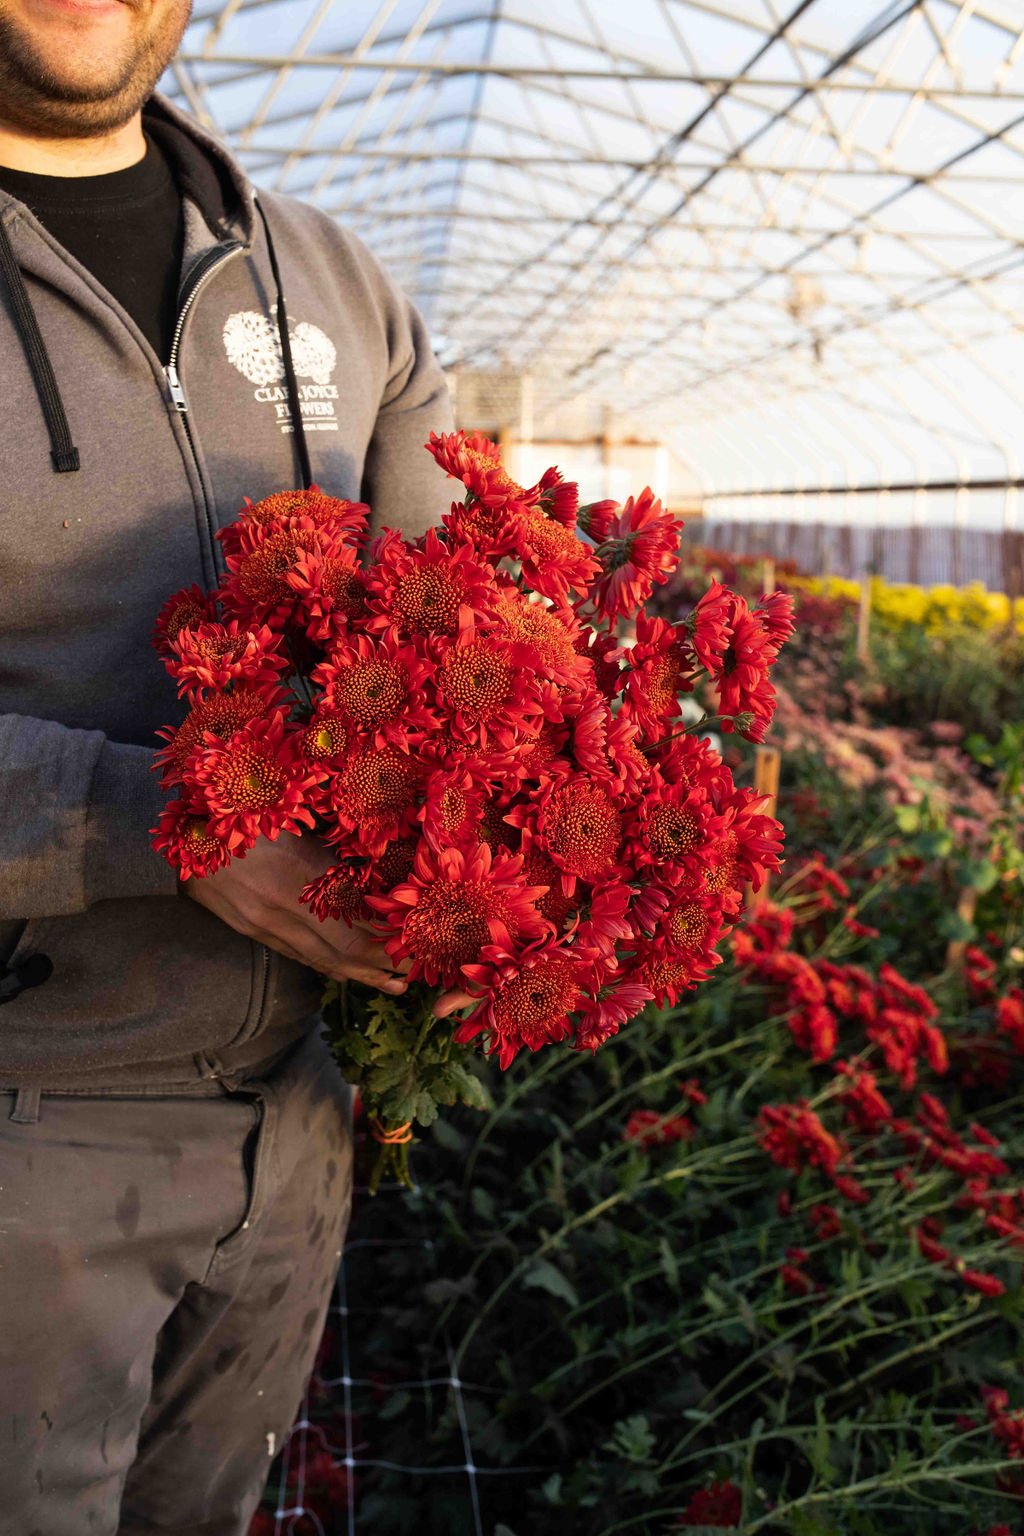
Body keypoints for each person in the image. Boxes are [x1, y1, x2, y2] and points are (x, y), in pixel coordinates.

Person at [0, 0, 469, 1529]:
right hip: (30, 1135)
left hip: (296, 1126)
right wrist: (177, 822)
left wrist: (526, 863)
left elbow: (466, 619)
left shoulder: (333, 286)